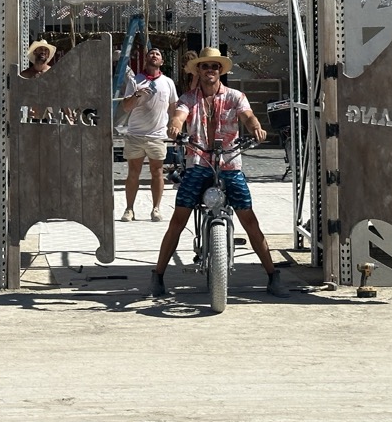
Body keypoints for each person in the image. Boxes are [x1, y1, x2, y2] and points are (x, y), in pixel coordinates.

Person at [150, 46, 290, 298]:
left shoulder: (236, 96)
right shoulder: (188, 99)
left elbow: (248, 116)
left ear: (220, 71)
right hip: (199, 163)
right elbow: (179, 116)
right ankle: (158, 275)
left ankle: (272, 275)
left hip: (229, 164)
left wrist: (256, 127)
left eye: (215, 66)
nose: (210, 70)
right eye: (205, 66)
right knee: (178, 219)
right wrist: (174, 126)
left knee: (249, 219)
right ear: (199, 70)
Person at [116, 46, 179, 222]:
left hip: (157, 135)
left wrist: (175, 126)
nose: (154, 55)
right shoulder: (135, 81)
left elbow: (173, 107)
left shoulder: (168, 82)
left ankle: (156, 208)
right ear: (146, 58)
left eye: (158, 54)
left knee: (157, 171)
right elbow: (126, 107)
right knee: (133, 172)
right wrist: (136, 95)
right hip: (136, 133)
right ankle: (129, 209)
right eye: (151, 53)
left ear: (162, 61)